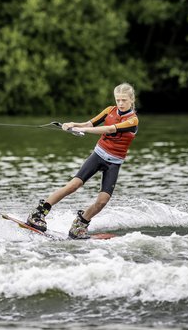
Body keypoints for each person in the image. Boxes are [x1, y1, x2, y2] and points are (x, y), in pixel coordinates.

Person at [26, 83, 139, 239]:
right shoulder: (109, 110)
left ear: (131, 100)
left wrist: (83, 130)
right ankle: (39, 213)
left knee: (102, 201)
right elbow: (89, 123)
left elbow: (110, 129)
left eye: (124, 100)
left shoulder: (133, 120)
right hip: (99, 155)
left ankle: (80, 225)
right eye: (118, 100)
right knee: (74, 185)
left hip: (114, 163)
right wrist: (73, 124)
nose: (120, 103)